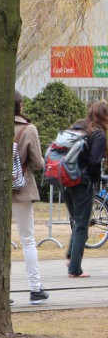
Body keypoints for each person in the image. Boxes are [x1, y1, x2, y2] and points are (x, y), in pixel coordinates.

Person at [64, 100, 108, 279]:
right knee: (82, 224)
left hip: (64, 178)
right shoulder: (98, 134)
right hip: (81, 181)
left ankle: (70, 256)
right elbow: (95, 162)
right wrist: (96, 180)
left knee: (77, 220)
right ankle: (75, 269)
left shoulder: (78, 126)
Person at [12, 90, 49, 303]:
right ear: (20, 106)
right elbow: (36, 163)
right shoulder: (28, 129)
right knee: (27, 239)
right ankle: (35, 288)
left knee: (0, 241)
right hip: (21, 189)